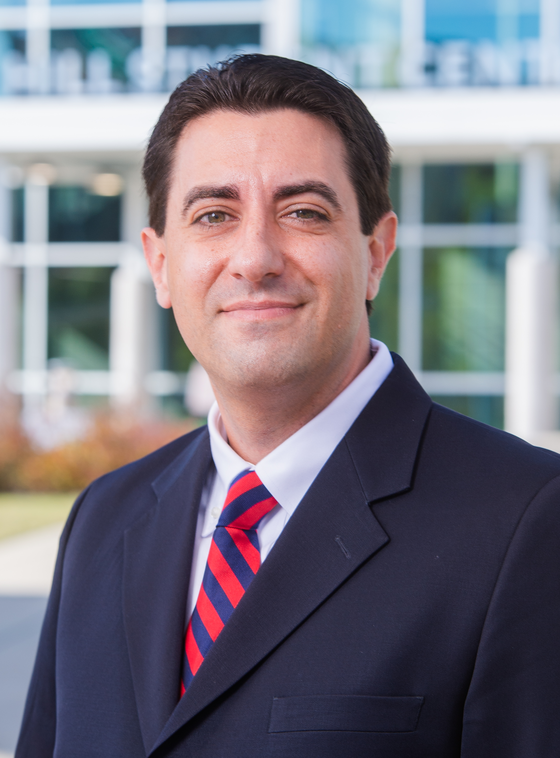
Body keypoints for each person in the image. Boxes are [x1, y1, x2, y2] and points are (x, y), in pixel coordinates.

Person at [16, 55, 560, 758]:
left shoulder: (526, 521)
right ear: (160, 264)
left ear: (376, 252)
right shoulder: (104, 519)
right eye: (214, 214)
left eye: (303, 212)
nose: (255, 257)